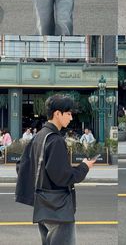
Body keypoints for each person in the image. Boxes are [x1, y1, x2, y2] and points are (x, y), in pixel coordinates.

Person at [17, 95, 96, 245]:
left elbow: (21, 166)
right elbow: (63, 177)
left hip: (42, 205)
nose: (71, 118)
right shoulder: (55, 140)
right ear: (57, 113)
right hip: (58, 208)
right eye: (68, 113)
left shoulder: (39, 136)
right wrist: (84, 167)